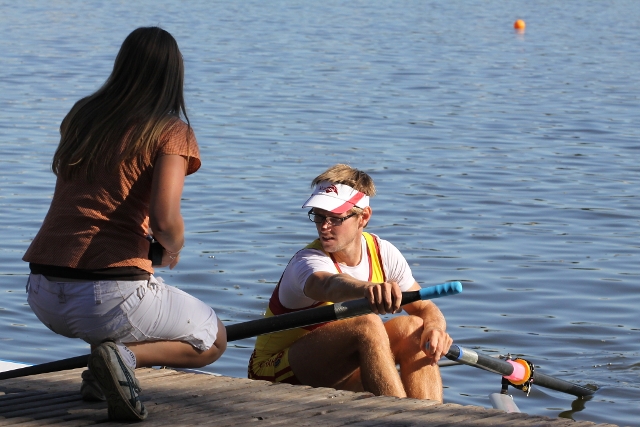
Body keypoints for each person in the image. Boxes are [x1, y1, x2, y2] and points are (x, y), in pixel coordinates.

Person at [23, 27, 226, 422]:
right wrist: (173, 247)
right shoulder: (171, 131)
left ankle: (101, 378)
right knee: (214, 339)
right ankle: (124, 358)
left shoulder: (81, 116)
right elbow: (165, 220)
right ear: (173, 74)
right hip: (107, 297)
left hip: (42, 291)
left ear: (122, 65)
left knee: (119, 303)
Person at [248, 164, 453, 402]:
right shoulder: (307, 261)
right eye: (318, 216)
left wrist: (435, 329)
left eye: (335, 218)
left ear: (363, 217)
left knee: (414, 327)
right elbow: (330, 285)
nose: (324, 226)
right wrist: (369, 289)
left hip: (337, 369)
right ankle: (399, 416)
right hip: (274, 372)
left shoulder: (383, 253)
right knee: (367, 323)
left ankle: (429, 414)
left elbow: (425, 307)